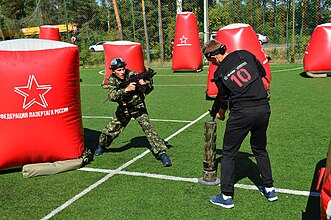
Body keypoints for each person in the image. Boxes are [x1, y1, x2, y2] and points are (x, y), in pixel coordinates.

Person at [202, 39, 277, 208]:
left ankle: (226, 197)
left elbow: (223, 98)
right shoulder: (245, 54)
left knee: (228, 154)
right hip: (263, 109)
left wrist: (219, 113)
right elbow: (262, 71)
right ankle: (270, 189)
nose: (211, 63)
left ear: (213, 57)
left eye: (210, 60)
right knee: (260, 149)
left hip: (241, 114)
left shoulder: (219, 73)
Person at [94, 57, 172, 167]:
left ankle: (161, 153)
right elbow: (111, 96)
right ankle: (102, 146)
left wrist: (145, 84)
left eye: (123, 69)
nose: (122, 72)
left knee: (149, 129)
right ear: (113, 71)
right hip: (124, 109)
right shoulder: (112, 79)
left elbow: (148, 90)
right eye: (119, 70)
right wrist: (126, 90)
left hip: (138, 107)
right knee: (110, 131)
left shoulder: (132, 75)